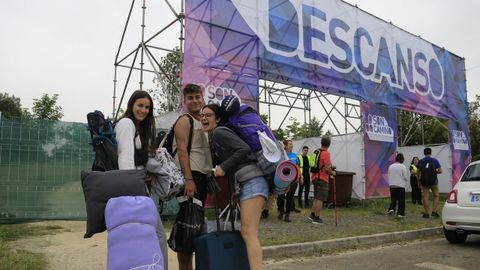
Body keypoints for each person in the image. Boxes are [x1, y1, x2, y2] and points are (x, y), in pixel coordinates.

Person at [201, 103, 268, 270]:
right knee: (248, 232)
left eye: (208, 115)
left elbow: (243, 150)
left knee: (248, 232)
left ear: (217, 118)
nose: (204, 118)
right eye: (202, 115)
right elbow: (235, 163)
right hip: (247, 183)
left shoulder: (218, 132)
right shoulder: (215, 136)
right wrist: (235, 190)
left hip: (253, 181)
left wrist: (223, 167)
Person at [114, 90, 168, 269]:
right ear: (131, 105)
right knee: (157, 234)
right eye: (140, 105)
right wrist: (132, 193)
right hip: (132, 189)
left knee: (135, 236)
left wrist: (147, 173)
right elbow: (125, 158)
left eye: (147, 107)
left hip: (138, 187)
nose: (143, 110)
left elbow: (137, 160)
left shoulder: (140, 128)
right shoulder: (127, 123)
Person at [173, 84, 212, 270]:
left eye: (197, 96)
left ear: (202, 97)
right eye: (191, 98)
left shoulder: (203, 121)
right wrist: (188, 180)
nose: (195, 100)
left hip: (201, 178)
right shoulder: (184, 120)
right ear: (185, 100)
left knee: (195, 230)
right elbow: (182, 151)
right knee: (187, 231)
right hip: (190, 179)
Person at [308, 136, 335, 225]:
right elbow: (327, 169)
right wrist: (333, 173)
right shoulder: (326, 153)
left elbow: (321, 165)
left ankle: (312, 215)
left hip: (315, 177)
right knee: (320, 198)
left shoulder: (317, 151)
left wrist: (330, 167)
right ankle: (317, 218)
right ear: (329, 144)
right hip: (322, 178)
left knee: (316, 197)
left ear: (321, 142)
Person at [277, 139, 302, 222]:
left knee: (290, 197)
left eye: (292, 144)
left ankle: (287, 215)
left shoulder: (294, 155)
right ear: (285, 146)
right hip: (282, 179)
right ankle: (281, 211)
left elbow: (297, 167)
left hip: (293, 180)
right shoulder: (280, 155)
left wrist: (300, 176)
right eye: (290, 144)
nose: (291, 145)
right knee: (280, 196)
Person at [417, 147, 442, 219]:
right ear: (431, 153)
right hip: (434, 181)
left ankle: (426, 213)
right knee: (436, 195)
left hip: (424, 181)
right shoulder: (434, 160)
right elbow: (440, 171)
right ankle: (434, 212)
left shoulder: (421, 161)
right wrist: (435, 172)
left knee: (425, 196)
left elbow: (418, 173)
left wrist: (418, 182)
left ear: (424, 153)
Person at [386, 153, 409, 218]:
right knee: (401, 200)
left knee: (393, 198)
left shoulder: (390, 166)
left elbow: (389, 174)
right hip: (400, 185)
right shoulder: (402, 166)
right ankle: (400, 213)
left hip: (392, 184)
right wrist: (406, 180)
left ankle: (391, 209)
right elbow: (405, 176)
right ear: (402, 159)